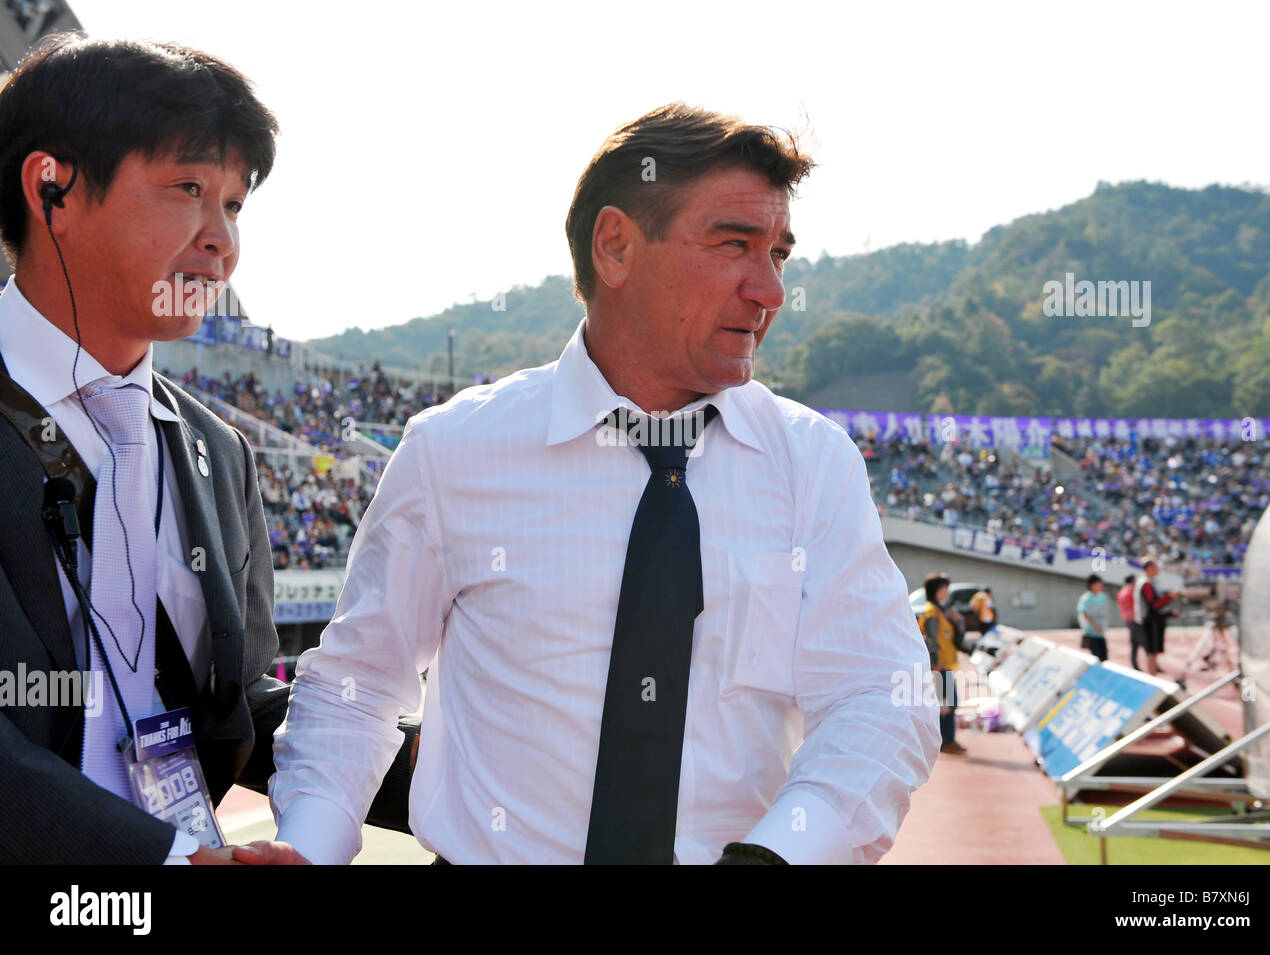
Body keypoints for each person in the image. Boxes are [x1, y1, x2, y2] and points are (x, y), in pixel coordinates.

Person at [269, 103, 939, 865]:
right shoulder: (452, 450)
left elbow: (878, 695)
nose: (771, 289)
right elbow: (359, 680)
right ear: (616, 246)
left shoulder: (813, 463)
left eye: (779, 254)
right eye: (735, 245)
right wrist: (307, 846)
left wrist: (779, 855)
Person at [0, 34, 412, 864]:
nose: (220, 238)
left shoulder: (217, 450)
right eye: (187, 188)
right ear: (53, 190)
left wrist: (472, 772)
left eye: (233, 204)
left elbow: (234, 704)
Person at [917, 573, 964, 754]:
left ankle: (947, 739)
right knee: (946, 703)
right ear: (936, 591)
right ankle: (946, 740)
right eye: (944, 588)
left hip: (946, 663)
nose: (947, 592)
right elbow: (931, 639)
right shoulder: (932, 612)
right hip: (941, 665)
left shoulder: (940, 611)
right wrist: (934, 662)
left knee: (947, 703)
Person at [1135, 558, 1180, 676]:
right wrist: (1170, 597)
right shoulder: (1146, 583)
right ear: (1149, 568)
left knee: (1153, 652)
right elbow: (1154, 604)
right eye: (1155, 567)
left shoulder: (1150, 582)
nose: (1157, 569)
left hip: (1152, 620)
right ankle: (1152, 676)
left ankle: (1153, 674)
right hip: (1150, 621)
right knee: (1151, 651)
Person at [1077, 574, 1109, 662]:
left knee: (1104, 656)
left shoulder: (1102, 596)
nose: (1101, 585)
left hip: (1101, 632)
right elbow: (1084, 611)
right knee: (1095, 657)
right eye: (1099, 583)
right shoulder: (1086, 598)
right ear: (1092, 585)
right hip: (1091, 632)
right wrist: (1094, 624)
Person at [1116, 573, 1143, 669]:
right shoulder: (1133, 591)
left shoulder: (1121, 592)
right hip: (1136, 619)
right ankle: (1151, 663)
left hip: (1127, 619)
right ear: (1132, 581)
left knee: (1134, 642)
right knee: (1144, 642)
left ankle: (1134, 663)